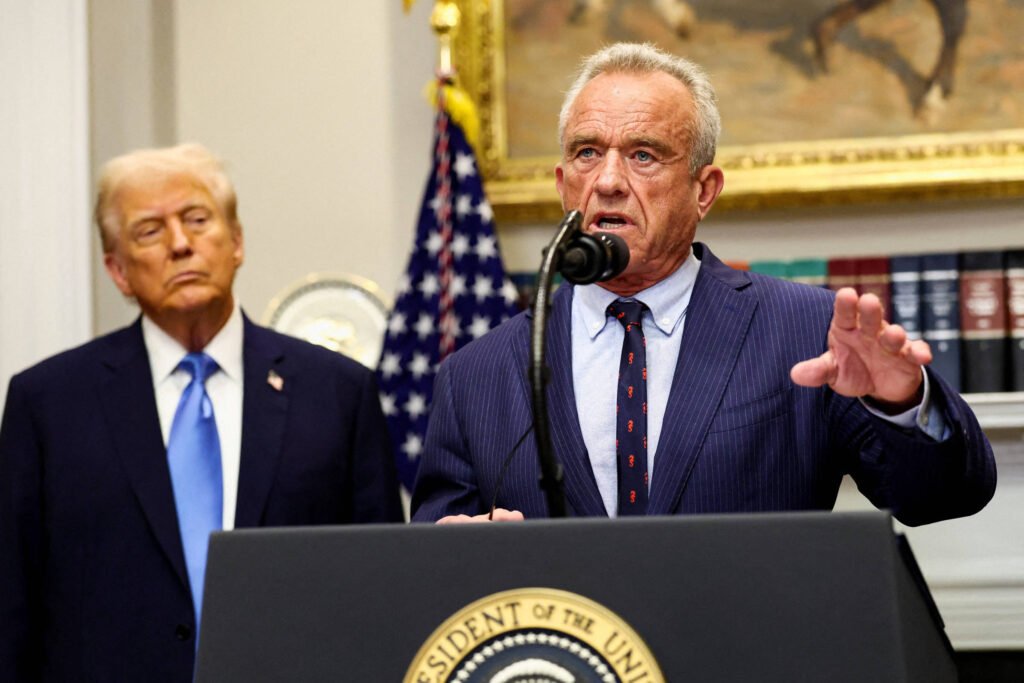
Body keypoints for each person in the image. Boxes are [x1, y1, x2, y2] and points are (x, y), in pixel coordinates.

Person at [411, 42, 995, 525]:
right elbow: (436, 575)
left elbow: (944, 498)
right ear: (564, 185)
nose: (608, 180)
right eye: (588, 153)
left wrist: (899, 403)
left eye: (643, 155)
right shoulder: (475, 376)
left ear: (704, 190)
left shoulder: (805, 330)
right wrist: (464, 557)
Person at [0, 143, 403, 682]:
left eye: (197, 220)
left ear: (236, 242)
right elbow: (13, 606)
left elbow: (379, 590)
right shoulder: (49, 404)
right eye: (150, 231)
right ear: (118, 270)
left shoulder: (336, 393)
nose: (180, 244)